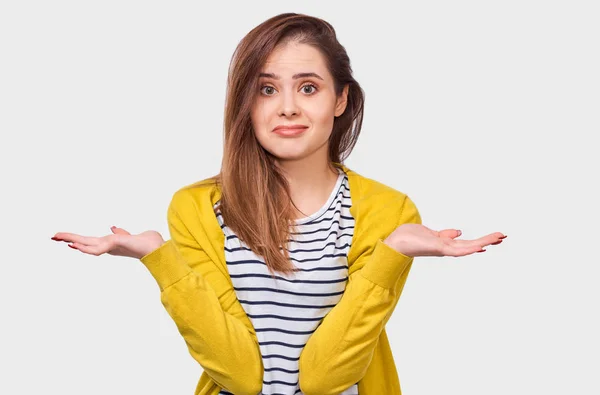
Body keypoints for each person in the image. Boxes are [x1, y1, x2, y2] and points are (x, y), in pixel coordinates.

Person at [51, 12, 506, 395]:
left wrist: (394, 254)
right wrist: (161, 259)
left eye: (308, 87)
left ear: (341, 98)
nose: (287, 107)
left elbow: (327, 376)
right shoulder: (196, 208)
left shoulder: (389, 214)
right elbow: (240, 375)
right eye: (267, 89)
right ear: (246, 102)